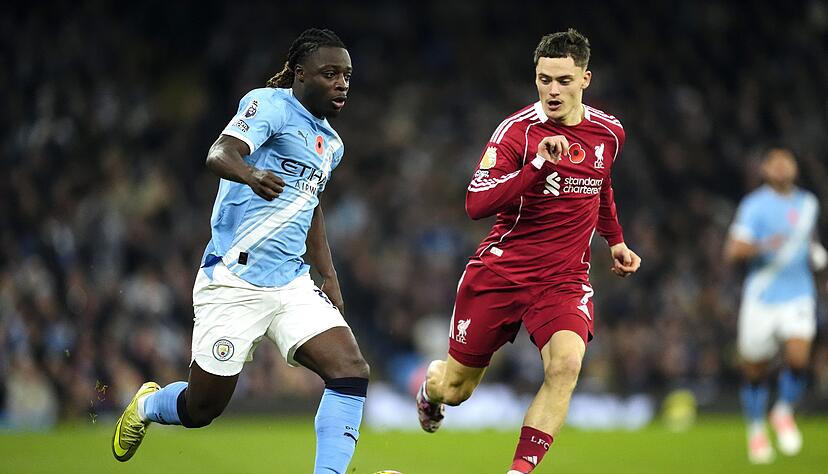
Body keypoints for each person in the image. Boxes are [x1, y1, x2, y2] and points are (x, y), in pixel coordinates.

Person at [111, 28, 370, 474]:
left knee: (351, 370)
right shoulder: (269, 105)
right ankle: (149, 405)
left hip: (290, 283)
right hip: (233, 279)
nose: (341, 83)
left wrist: (328, 275)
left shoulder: (333, 144)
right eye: (330, 73)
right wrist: (251, 174)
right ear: (300, 74)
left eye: (346, 75)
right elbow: (219, 153)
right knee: (202, 408)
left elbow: (311, 205)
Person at [415, 29, 641, 474]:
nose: (552, 90)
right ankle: (429, 390)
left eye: (563, 80)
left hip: (563, 282)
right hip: (502, 273)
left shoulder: (609, 133)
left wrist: (614, 239)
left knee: (566, 366)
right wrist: (537, 165)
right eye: (544, 80)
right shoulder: (517, 132)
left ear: (585, 79)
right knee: (456, 390)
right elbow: (475, 203)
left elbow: (601, 187)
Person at [724, 148, 824, 464]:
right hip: (762, 297)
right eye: (775, 162)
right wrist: (764, 245)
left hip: (799, 293)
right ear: (765, 170)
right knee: (755, 371)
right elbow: (733, 250)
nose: (782, 167)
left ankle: (782, 411)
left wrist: (816, 252)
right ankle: (756, 430)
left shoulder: (808, 203)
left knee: (798, 358)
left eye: (787, 161)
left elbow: (808, 239)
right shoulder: (754, 205)